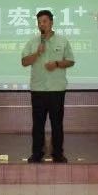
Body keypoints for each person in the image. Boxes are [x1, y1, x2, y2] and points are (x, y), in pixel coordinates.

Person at [21, 10, 75, 163]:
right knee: (38, 125)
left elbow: (70, 61)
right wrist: (37, 54)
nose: (41, 25)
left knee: (57, 125)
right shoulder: (33, 42)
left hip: (56, 89)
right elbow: (24, 62)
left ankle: (57, 153)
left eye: (44, 21)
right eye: (39, 22)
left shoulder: (62, 41)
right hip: (38, 89)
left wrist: (57, 64)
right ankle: (37, 153)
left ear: (51, 22)